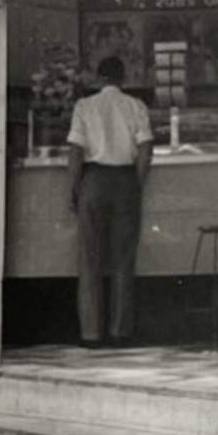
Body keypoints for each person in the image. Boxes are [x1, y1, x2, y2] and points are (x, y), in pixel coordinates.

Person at [67, 55, 153, 348]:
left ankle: (90, 334)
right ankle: (120, 332)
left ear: (99, 78)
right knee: (123, 262)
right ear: (123, 78)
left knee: (89, 261)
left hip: (94, 181)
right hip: (125, 181)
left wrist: (74, 189)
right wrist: (136, 185)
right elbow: (145, 150)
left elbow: (76, 153)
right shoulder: (136, 106)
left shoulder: (84, 106)